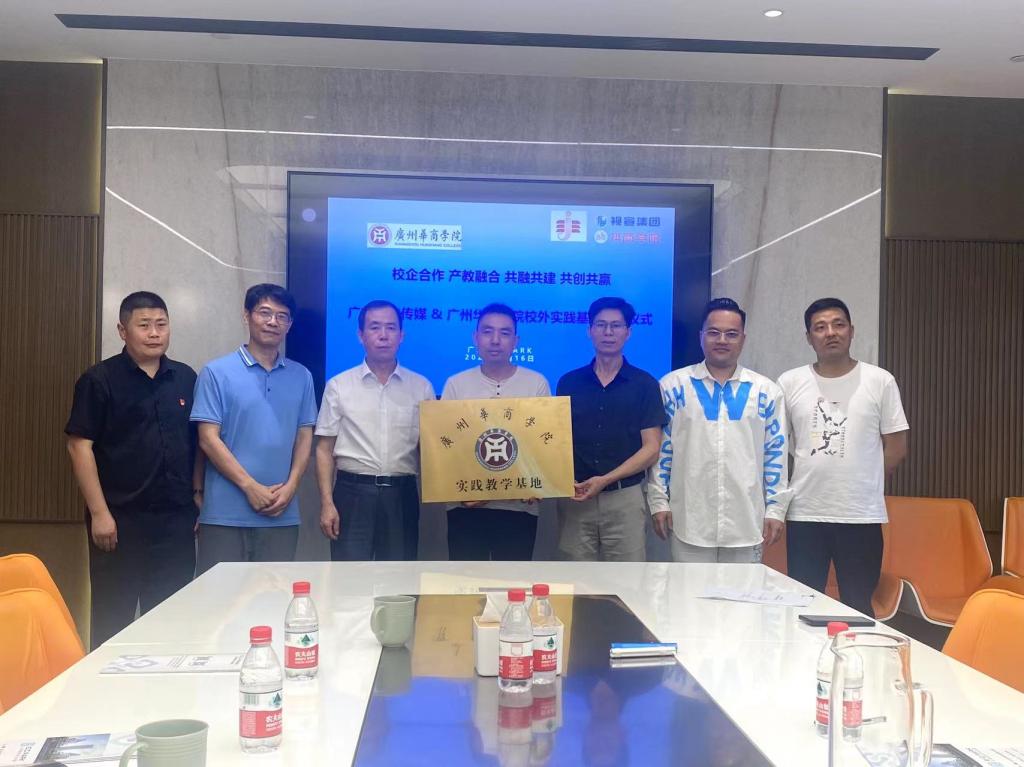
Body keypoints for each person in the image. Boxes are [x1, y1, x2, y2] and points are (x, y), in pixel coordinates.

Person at [66, 291, 201, 647]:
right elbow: (79, 446)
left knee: (172, 621)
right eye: (144, 325)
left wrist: (198, 496)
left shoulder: (185, 378)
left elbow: (197, 444)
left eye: (161, 324)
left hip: (175, 521)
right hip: (119, 521)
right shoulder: (99, 380)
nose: (154, 333)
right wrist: (99, 514)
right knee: (114, 621)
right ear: (122, 330)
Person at [778, 297, 909, 616]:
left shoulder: (880, 380)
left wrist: (865, 478)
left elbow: (896, 446)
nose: (830, 333)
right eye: (820, 327)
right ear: (809, 337)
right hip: (805, 514)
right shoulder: (790, 382)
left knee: (858, 605)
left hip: (860, 515)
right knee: (804, 604)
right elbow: (778, 447)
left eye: (838, 324)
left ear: (851, 331)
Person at [646, 298, 789, 563]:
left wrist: (776, 509)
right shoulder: (673, 386)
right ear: (701, 336)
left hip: (746, 522)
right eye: (714, 332)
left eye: (731, 334)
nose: (722, 340)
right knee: (688, 590)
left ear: (743, 339)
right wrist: (658, 501)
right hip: (689, 521)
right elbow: (663, 451)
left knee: (744, 591)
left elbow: (775, 454)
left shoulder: (767, 392)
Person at [191, 284, 317, 573]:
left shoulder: (302, 376)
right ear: (246, 316)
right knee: (220, 597)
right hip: (224, 514)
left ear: (290, 325)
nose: (273, 322)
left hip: (281, 512)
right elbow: (208, 440)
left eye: (282, 316)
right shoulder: (216, 372)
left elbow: (304, 436)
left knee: (274, 595)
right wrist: (250, 487)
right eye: (264, 313)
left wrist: (291, 487)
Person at [315, 300, 435, 560]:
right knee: (350, 577)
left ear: (401, 335)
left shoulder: (421, 387)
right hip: (352, 494)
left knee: (399, 578)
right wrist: (326, 503)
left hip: (401, 494)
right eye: (375, 327)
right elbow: (324, 450)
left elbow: (430, 449)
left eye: (391, 328)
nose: (383, 335)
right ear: (361, 335)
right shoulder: (339, 386)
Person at [556, 297, 666, 562]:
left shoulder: (645, 384)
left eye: (616, 326)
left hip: (624, 498)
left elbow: (651, 448)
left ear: (628, 332)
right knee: (576, 579)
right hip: (577, 497)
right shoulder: (568, 383)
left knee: (627, 580)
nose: (608, 332)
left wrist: (605, 479)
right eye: (601, 325)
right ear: (589, 330)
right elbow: (556, 441)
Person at [441, 303, 550, 560]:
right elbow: (445, 447)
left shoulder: (536, 383)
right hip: (466, 507)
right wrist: (463, 495)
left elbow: (544, 447)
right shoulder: (456, 384)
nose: (495, 340)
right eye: (488, 332)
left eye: (505, 333)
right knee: (466, 581)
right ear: (475, 337)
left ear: (516, 341)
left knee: (513, 581)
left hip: (519, 509)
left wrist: (536, 485)